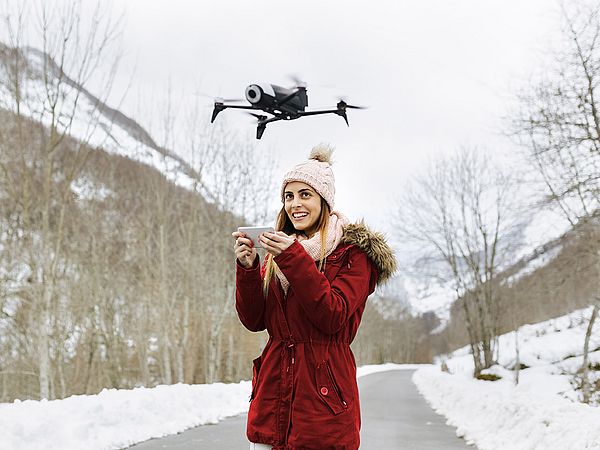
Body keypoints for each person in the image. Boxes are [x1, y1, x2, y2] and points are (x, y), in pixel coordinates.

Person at [232, 144, 397, 450]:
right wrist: (248, 268)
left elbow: (332, 315)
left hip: (323, 410)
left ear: (324, 200)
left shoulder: (353, 255)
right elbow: (254, 320)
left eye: (305, 195)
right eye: (288, 196)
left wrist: (292, 258)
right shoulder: (280, 252)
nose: (295, 204)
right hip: (271, 401)